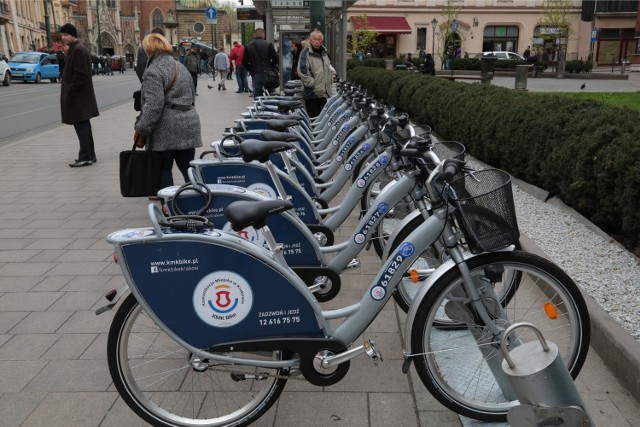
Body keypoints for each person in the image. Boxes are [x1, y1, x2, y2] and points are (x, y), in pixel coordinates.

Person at [134, 33, 202, 193]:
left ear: (149, 50)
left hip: (166, 127)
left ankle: (169, 207)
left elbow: (154, 105)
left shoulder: (153, 71)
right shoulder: (181, 66)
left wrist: (142, 128)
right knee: (187, 168)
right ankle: (200, 200)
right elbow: (191, 96)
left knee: (163, 169)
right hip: (189, 123)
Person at [58, 23, 99, 168]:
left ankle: (86, 156)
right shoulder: (75, 49)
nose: (63, 37)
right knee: (83, 126)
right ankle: (90, 155)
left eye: (66, 35)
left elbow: (80, 74)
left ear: (73, 35)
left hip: (79, 97)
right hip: (79, 96)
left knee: (82, 127)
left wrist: (71, 90)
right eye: (62, 35)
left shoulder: (78, 50)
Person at [297, 29, 335, 119]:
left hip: (323, 93)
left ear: (322, 41)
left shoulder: (324, 52)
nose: (317, 41)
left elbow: (328, 66)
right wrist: (313, 84)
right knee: (314, 120)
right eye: (315, 39)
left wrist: (333, 74)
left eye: (319, 39)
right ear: (310, 40)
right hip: (312, 93)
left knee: (322, 121)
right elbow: (302, 70)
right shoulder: (305, 53)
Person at [242, 28, 278, 97]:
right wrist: (270, 66)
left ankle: (259, 106)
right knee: (269, 95)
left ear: (254, 35)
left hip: (256, 73)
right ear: (263, 35)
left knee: (257, 95)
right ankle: (268, 106)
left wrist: (251, 69)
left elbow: (244, 62)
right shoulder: (268, 44)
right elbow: (275, 59)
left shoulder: (248, 46)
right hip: (268, 74)